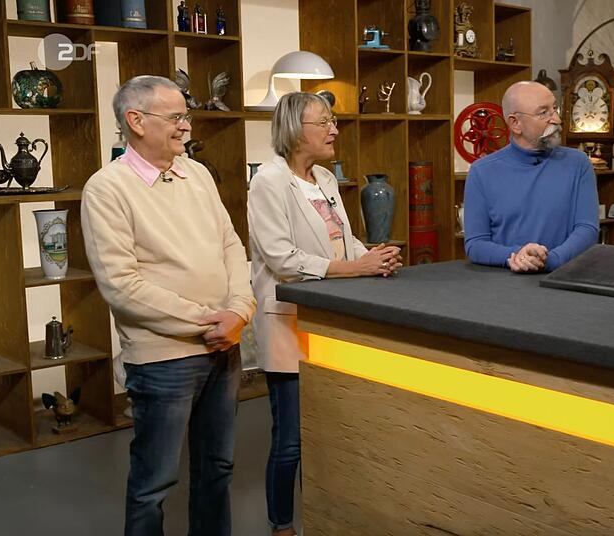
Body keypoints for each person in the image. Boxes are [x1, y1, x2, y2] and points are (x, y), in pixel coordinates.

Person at [80, 75, 255, 535]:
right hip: (164, 360)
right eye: (176, 117)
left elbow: (231, 245)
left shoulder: (197, 174)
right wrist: (209, 320)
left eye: (186, 116)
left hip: (224, 346)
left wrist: (239, 311)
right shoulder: (106, 189)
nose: (187, 126)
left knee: (217, 469)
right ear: (136, 121)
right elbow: (121, 285)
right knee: (153, 485)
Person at [247, 92, 403, 536]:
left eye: (333, 121)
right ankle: (281, 525)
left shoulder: (325, 178)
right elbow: (281, 258)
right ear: (296, 130)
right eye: (325, 122)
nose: (334, 129)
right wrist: (355, 268)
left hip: (330, 318)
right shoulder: (268, 182)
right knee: (291, 439)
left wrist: (373, 256)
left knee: (330, 432)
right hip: (288, 321)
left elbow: (342, 239)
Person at [463, 80, 599, 273]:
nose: (556, 119)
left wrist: (550, 260)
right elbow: (475, 245)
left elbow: (588, 229)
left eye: (554, 109)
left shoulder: (578, 163)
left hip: (563, 278)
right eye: (543, 112)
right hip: (504, 283)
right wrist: (517, 256)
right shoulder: (481, 172)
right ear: (515, 123)